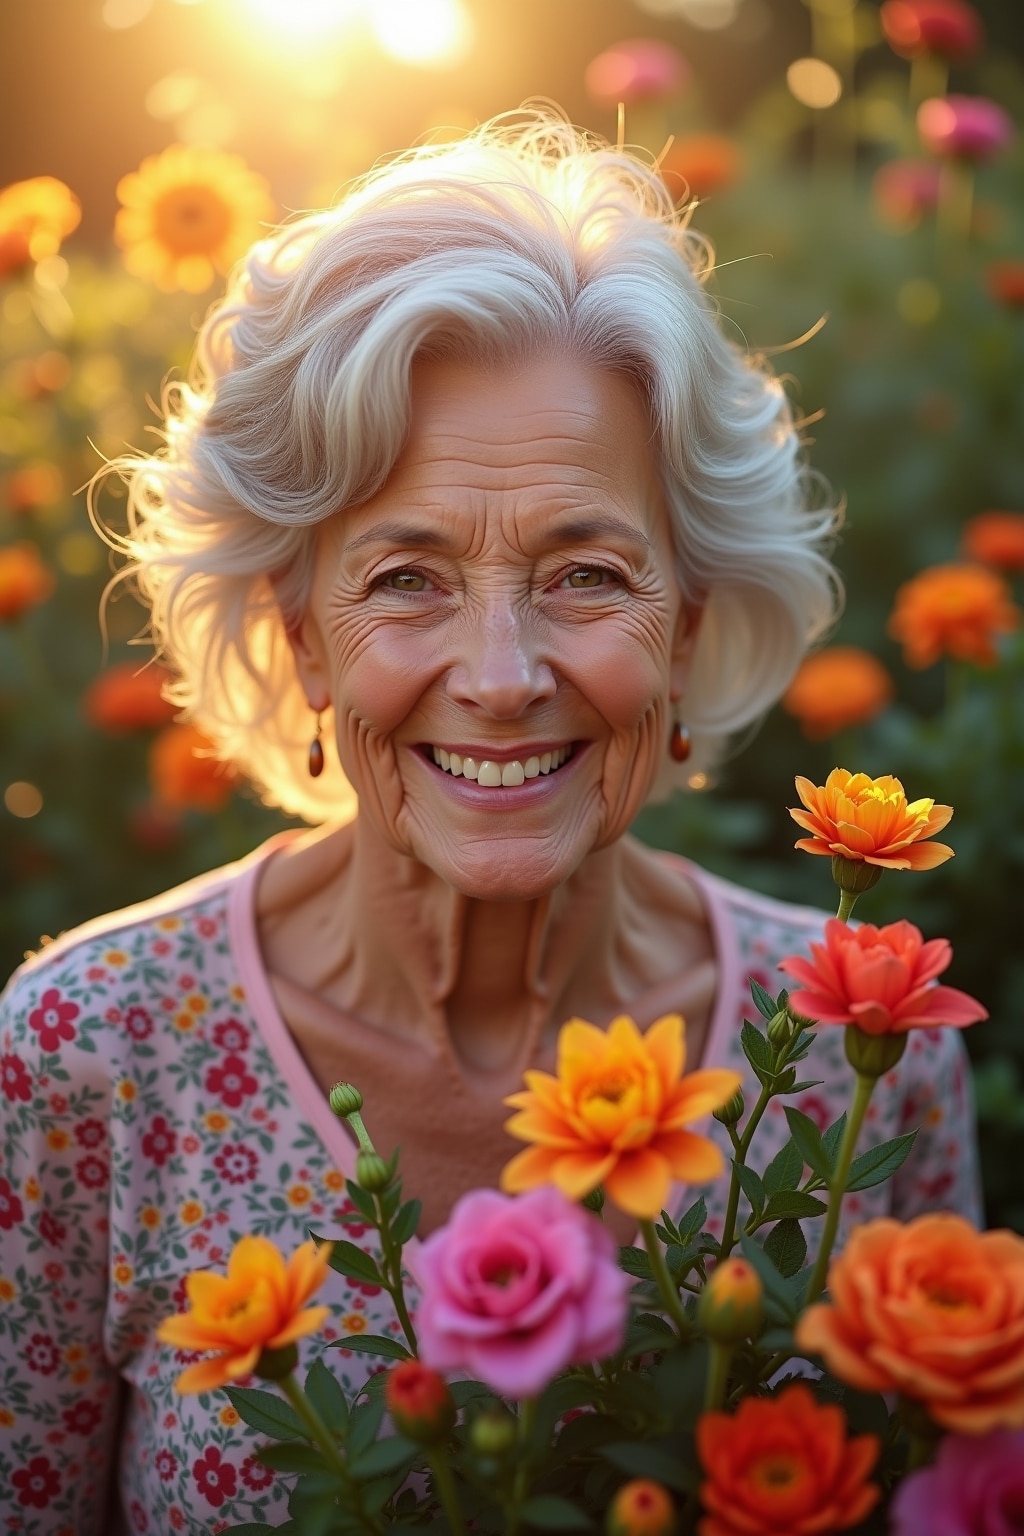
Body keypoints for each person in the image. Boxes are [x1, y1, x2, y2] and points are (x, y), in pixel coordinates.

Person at [0, 112, 980, 1533]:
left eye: (587, 574)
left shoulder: (859, 1048)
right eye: (406, 580)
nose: (509, 677)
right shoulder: (90, 1052)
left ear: (688, 625)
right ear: (305, 640)